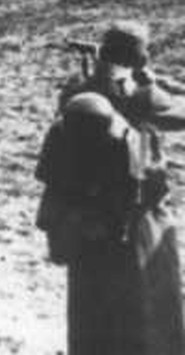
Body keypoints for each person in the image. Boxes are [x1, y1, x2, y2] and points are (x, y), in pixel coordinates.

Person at [36, 20, 185, 355]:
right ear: (140, 57)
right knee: (148, 309)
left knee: (92, 311)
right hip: (138, 218)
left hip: (84, 218)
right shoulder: (143, 96)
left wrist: (96, 75)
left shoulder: (78, 95)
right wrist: (152, 82)